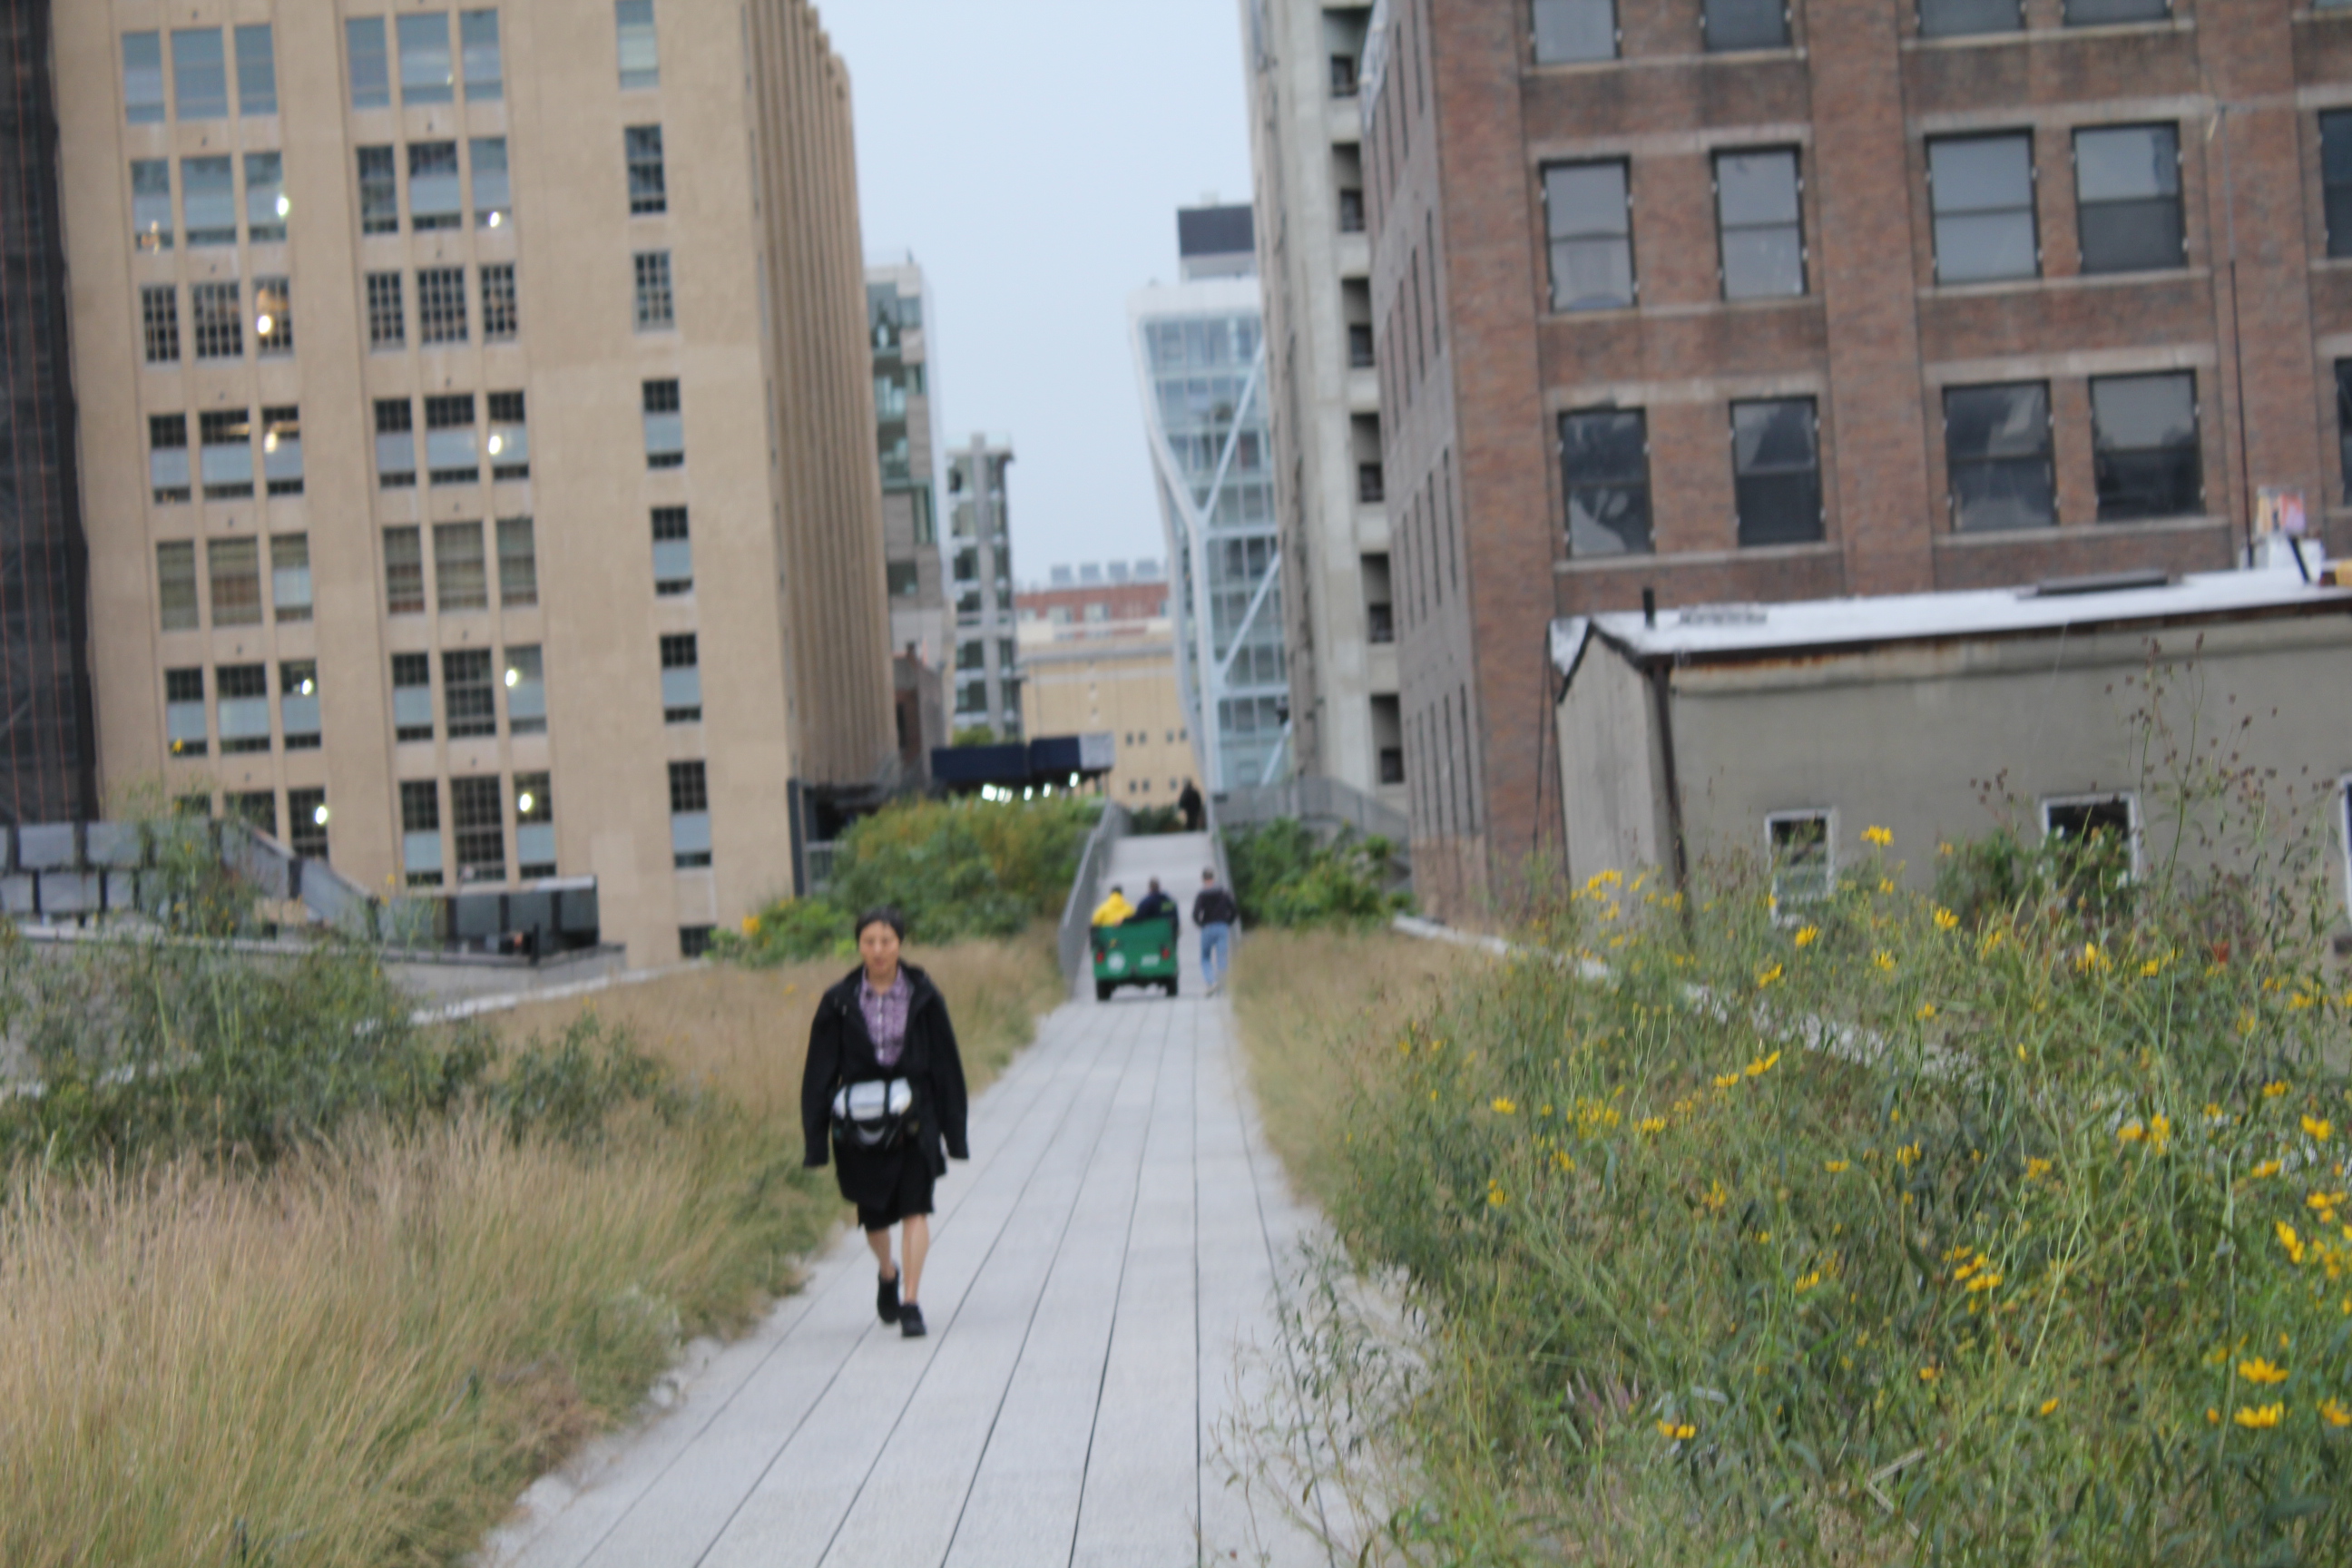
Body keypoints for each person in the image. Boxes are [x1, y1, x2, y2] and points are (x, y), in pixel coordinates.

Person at [801, 906, 970, 1339]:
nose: (878, 950)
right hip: (860, 1125)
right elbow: (819, 1071)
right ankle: (887, 1272)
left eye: (887, 941)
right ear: (859, 945)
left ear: (900, 944)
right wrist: (816, 1141)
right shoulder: (838, 1001)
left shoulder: (923, 994)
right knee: (874, 1216)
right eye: (870, 942)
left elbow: (946, 1063)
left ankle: (911, 1302)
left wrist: (954, 1133)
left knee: (916, 1206)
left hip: (915, 1119)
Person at [1192, 867, 1239, 995]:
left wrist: (1201, 924)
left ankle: (1211, 982)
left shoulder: (1202, 894)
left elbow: (1195, 914)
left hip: (1208, 927)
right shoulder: (1223, 893)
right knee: (1222, 957)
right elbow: (1234, 909)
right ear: (1213, 878)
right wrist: (1228, 922)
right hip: (1222, 927)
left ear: (1203, 879)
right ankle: (1223, 987)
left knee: (1205, 957)